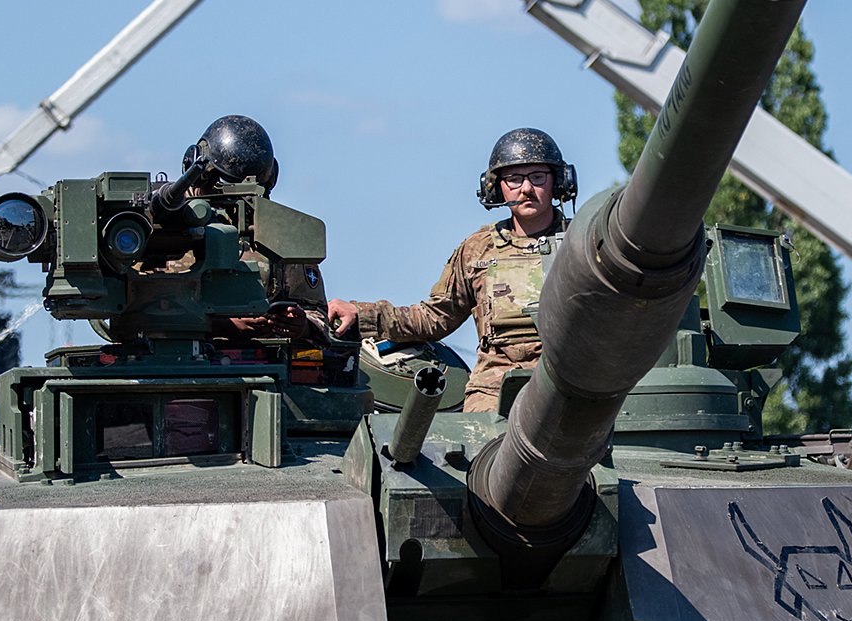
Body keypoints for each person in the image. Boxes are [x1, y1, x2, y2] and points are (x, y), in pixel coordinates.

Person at [327, 128, 576, 412]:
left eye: (537, 177)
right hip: (495, 389)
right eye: (514, 179)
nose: (527, 189)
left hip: (570, 381)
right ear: (497, 187)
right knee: (484, 451)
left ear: (559, 181)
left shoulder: (583, 242)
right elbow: (435, 318)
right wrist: (363, 315)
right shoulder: (478, 249)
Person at [169, 115, 330, 343]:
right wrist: (219, 326)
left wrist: (302, 325)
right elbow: (139, 313)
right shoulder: (162, 227)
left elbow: (315, 311)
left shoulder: (280, 231)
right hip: (177, 360)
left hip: (266, 362)